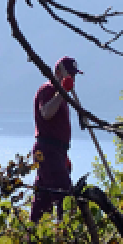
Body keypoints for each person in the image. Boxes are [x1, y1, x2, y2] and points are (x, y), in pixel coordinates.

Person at [31, 56, 82, 223]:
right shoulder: (48, 90)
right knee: (64, 196)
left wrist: (63, 155)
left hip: (55, 152)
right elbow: (46, 113)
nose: (72, 79)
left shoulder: (59, 94)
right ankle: (66, 235)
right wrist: (62, 91)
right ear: (58, 73)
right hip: (48, 150)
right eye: (70, 75)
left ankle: (34, 233)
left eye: (74, 76)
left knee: (43, 197)